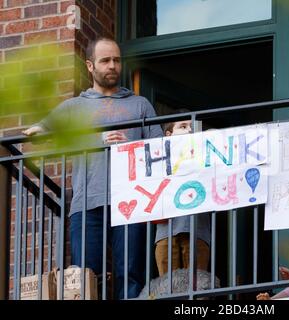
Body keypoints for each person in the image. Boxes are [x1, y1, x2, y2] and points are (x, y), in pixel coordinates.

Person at [23, 37, 163, 299]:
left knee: (131, 273)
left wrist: (131, 145)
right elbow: (43, 129)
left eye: (117, 60)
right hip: (87, 203)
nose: (112, 66)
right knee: (86, 276)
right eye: (105, 60)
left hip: (132, 200)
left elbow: (158, 148)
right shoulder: (74, 107)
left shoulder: (140, 104)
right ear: (90, 65)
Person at [154, 119, 211, 276]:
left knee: (196, 285)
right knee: (168, 285)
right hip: (166, 232)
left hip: (197, 230)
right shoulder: (158, 156)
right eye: (183, 127)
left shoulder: (203, 153)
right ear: (168, 134)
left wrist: (213, 140)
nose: (189, 131)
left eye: (192, 128)